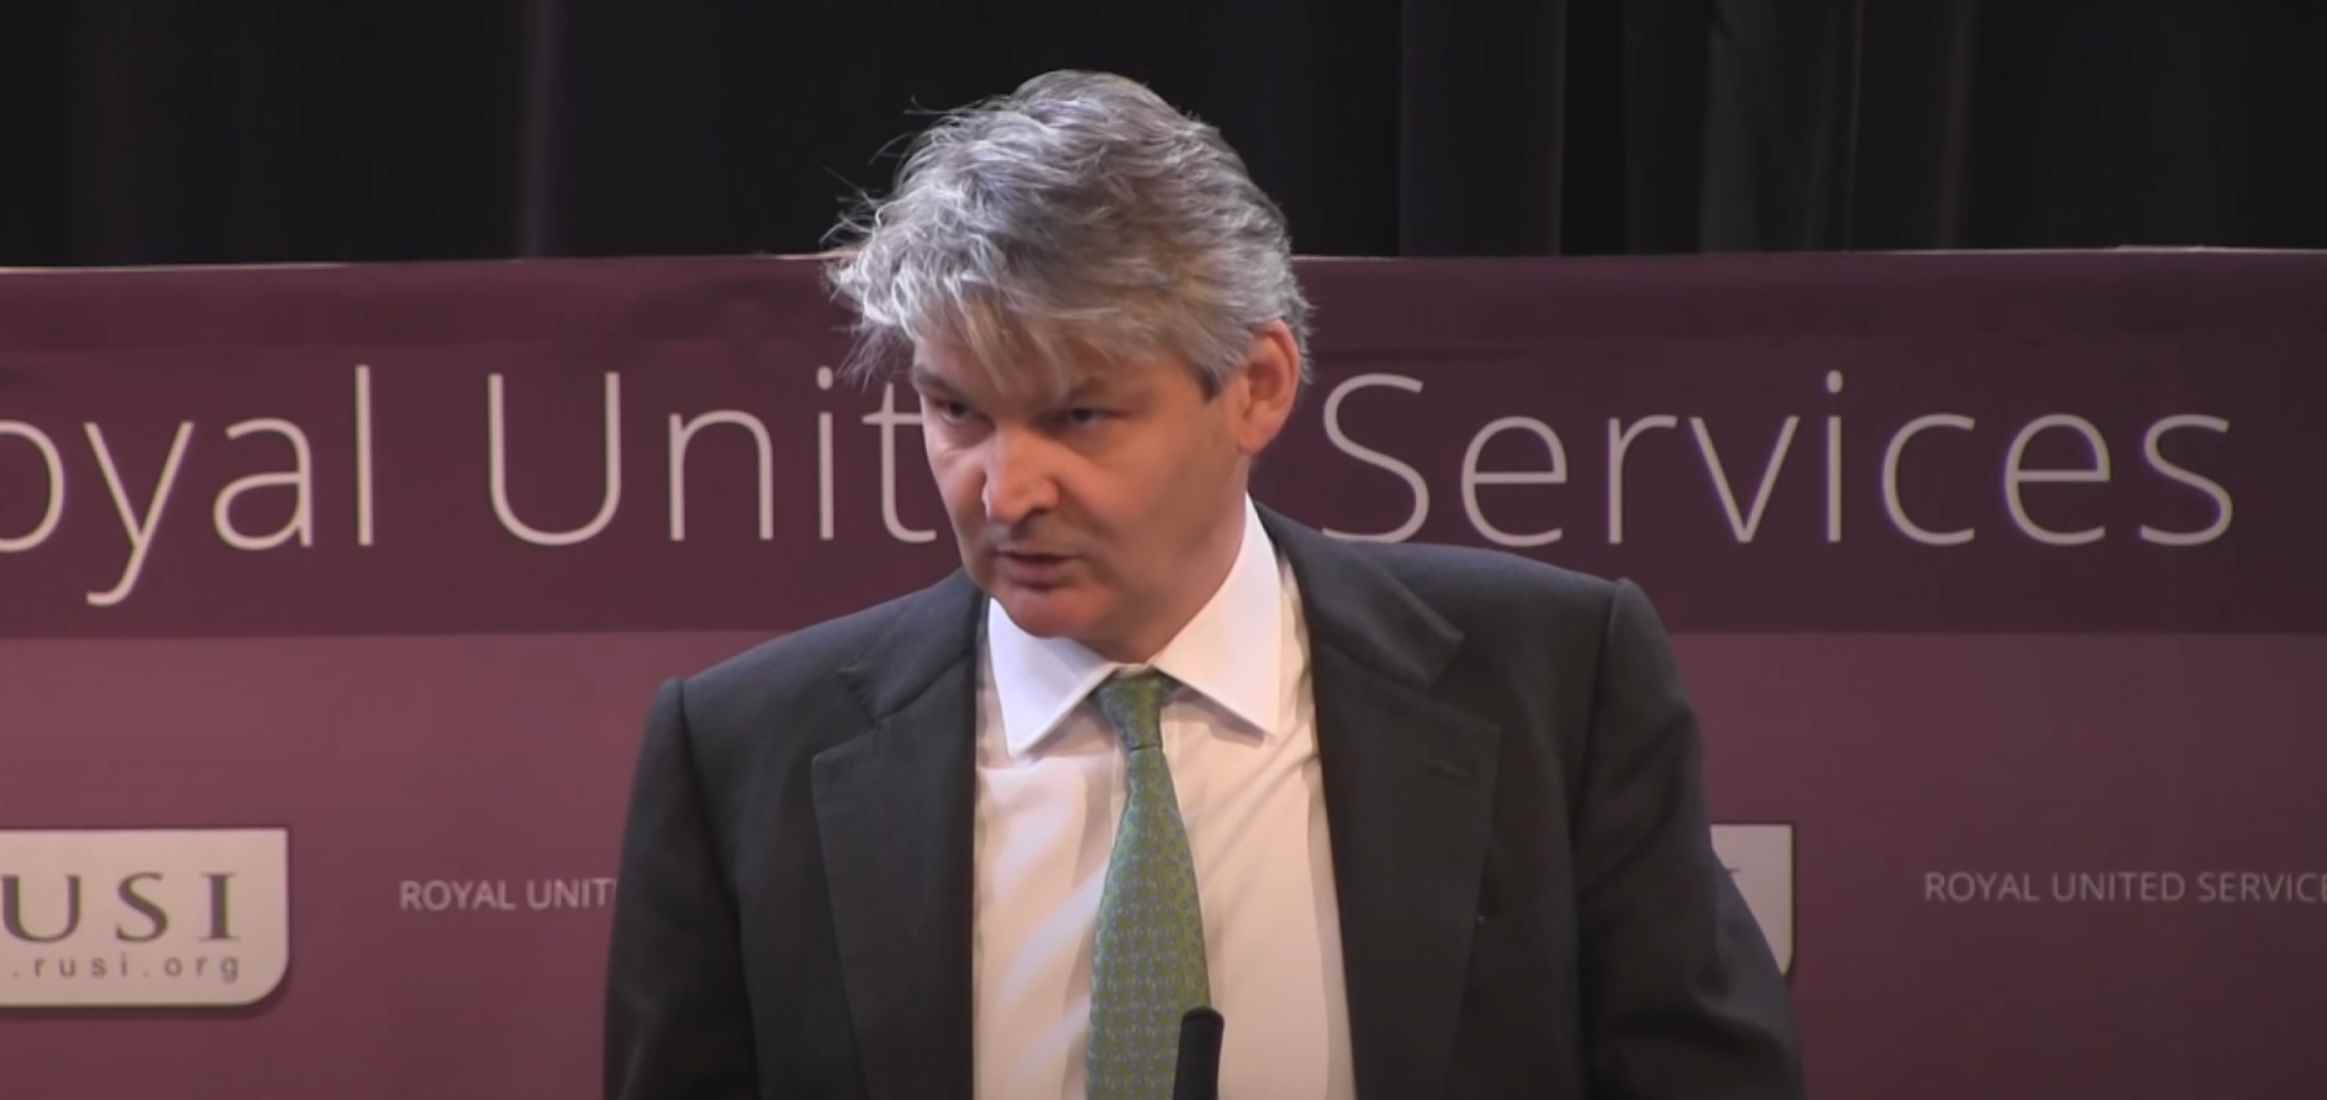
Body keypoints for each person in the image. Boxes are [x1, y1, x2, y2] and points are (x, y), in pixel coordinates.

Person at [605, 70, 1802, 1100]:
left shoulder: (1553, 683)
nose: (1004, 489)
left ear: (1257, 386)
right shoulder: (741, 756)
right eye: (955, 409)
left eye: (1079, 414)